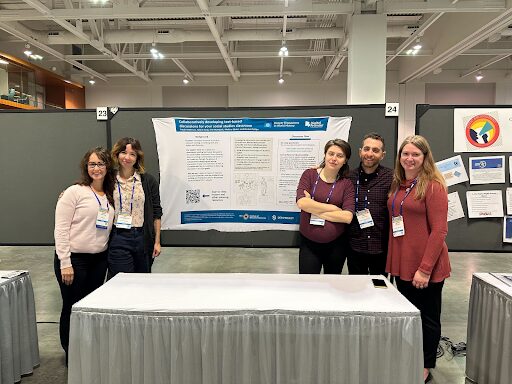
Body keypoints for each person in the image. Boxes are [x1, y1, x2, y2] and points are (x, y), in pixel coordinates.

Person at [386, 135, 451, 383]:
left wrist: (424, 269)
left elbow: (440, 231)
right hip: (404, 264)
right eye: (405, 154)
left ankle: (425, 364)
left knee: (427, 318)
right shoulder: (399, 184)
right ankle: (408, 356)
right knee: (408, 315)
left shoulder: (433, 185)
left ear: (425, 157)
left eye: (415, 154)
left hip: (427, 266)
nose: (409, 158)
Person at [54, 147, 115, 364]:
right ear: (86, 167)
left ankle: (88, 350)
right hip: (74, 260)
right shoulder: (74, 192)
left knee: (90, 307)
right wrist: (65, 262)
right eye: (92, 164)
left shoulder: (108, 195)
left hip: (98, 260)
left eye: (100, 164)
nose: (96, 168)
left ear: (108, 167)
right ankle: (71, 352)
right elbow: (60, 229)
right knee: (72, 305)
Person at [296, 139, 355, 274]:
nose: (334, 158)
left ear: (345, 160)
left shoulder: (346, 184)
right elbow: (302, 203)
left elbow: (347, 217)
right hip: (309, 244)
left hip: (336, 246)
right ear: (325, 154)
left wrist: (313, 208)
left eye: (339, 156)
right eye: (331, 154)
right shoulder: (309, 175)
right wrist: (334, 209)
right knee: (308, 285)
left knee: (331, 286)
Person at [108, 137, 162, 276]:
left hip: (143, 238)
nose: (127, 157)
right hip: (118, 236)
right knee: (121, 281)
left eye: (132, 154)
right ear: (117, 154)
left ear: (137, 157)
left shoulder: (148, 181)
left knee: (142, 281)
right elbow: (91, 189)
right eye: (123, 152)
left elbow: (157, 213)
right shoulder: (108, 179)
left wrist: (157, 242)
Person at [347, 133, 393, 276]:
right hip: (355, 247)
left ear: (382, 154)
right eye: (367, 149)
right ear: (360, 151)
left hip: (381, 247)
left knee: (380, 290)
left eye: (375, 150)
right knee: (356, 290)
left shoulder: (392, 177)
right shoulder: (348, 178)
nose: (370, 153)